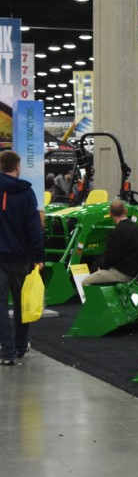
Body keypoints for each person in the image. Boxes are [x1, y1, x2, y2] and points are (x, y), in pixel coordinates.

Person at [0, 150, 44, 365]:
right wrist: (39, 256)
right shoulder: (27, 193)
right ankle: (20, 345)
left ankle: (6, 352)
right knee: (22, 303)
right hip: (21, 258)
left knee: (0, 306)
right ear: (17, 167)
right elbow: (34, 228)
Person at [82, 199, 138, 286]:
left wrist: (97, 267)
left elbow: (111, 258)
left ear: (110, 214)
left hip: (124, 274)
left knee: (85, 282)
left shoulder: (117, 232)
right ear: (126, 211)